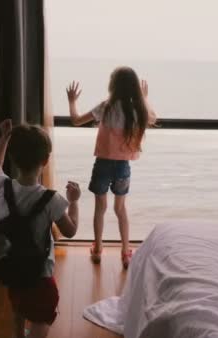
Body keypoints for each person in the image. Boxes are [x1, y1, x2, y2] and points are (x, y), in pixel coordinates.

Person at [0, 119, 81, 338]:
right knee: (43, 318)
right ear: (46, 160)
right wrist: (74, 202)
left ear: (12, 157)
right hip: (40, 276)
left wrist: (4, 138)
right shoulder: (52, 200)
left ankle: (19, 337)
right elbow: (70, 231)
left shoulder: (2, 187)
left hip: (12, 268)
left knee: (19, 307)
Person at [66, 66, 157, 269]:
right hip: (123, 167)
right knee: (120, 209)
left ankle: (98, 250)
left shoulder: (106, 107)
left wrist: (72, 102)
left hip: (103, 165)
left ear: (113, 85)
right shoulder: (136, 109)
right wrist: (144, 98)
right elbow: (152, 118)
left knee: (101, 208)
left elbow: (75, 120)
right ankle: (125, 253)